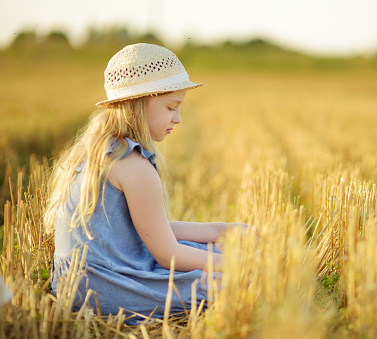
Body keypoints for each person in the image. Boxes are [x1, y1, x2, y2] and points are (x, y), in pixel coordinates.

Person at [44, 43, 240, 324]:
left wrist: (222, 230)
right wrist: (242, 266)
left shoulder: (100, 150)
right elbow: (167, 254)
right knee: (230, 283)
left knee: (218, 251)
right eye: (172, 107)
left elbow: (145, 229)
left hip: (76, 284)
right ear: (140, 102)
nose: (178, 118)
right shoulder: (134, 165)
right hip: (100, 291)